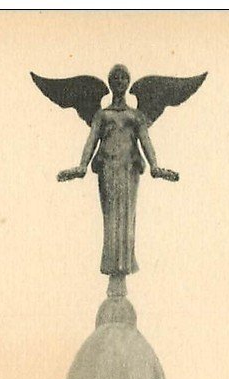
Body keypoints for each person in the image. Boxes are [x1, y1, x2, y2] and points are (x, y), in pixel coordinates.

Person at [59, 64, 177, 276]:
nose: (120, 81)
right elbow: (91, 140)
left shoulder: (136, 115)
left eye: (123, 78)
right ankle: (111, 266)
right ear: (110, 82)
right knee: (111, 216)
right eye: (116, 78)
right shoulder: (102, 115)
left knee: (127, 216)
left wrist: (155, 166)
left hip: (129, 168)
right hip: (107, 168)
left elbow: (145, 141)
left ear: (128, 82)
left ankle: (125, 265)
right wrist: (82, 165)